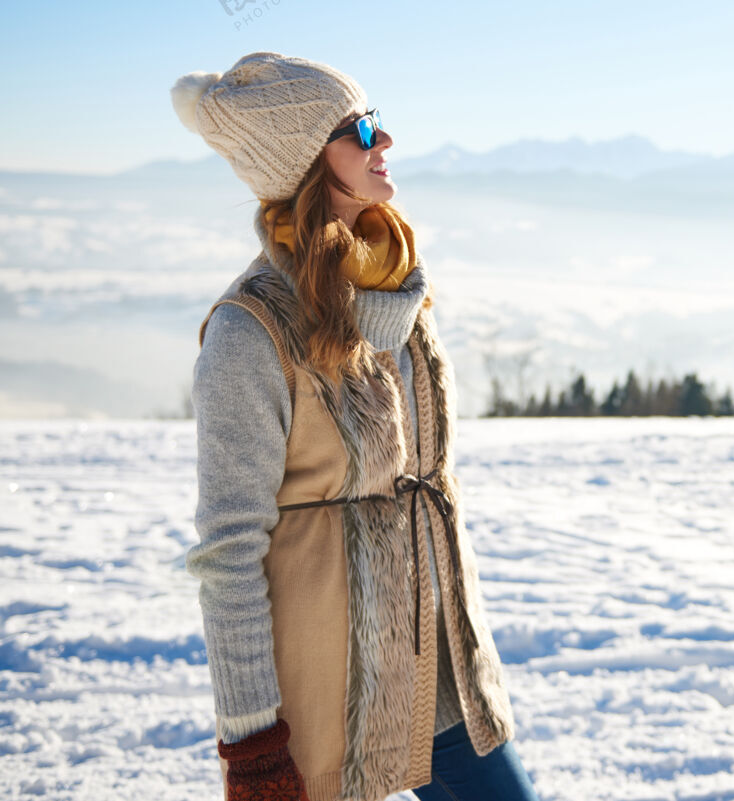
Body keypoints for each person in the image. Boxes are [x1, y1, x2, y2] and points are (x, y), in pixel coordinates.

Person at [171, 52, 541, 801]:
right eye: (358, 128)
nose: (385, 141)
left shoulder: (394, 287)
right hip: (322, 705)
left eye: (377, 120)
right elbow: (228, 552)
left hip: (437, 680)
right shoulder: (250, 334)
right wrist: (253, 745)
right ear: (307, 161)